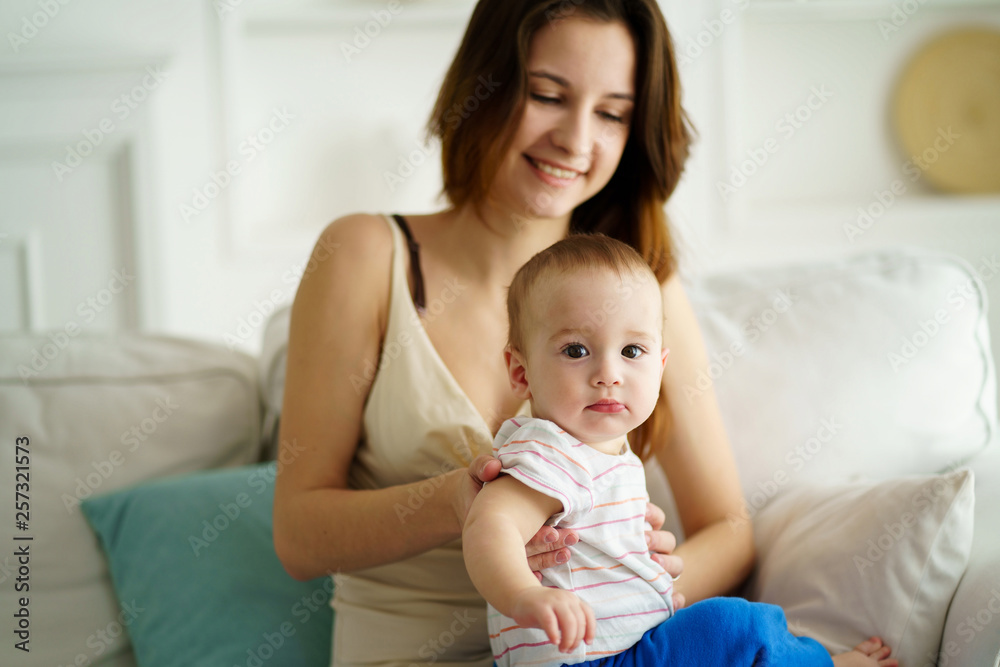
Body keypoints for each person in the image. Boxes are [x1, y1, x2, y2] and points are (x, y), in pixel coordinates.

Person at [272, 0, 898, 665]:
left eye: (612, 113)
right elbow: (299, 535)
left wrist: (642, 585)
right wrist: (462, 503)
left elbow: (728, 528)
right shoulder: (366, 254)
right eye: (547, 95)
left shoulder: (640, 288)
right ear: (484, 86)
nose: (575, 140)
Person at [464, 233, 836, 666]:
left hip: (623, 648)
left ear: (660, 366)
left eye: (631, 351)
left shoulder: (604, 453)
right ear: (521, 372)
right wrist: (524, 595)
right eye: (576, 350)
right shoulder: (549, 450)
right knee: (736, 626)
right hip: (590, 659)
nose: (608, 373)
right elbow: (490, 526)